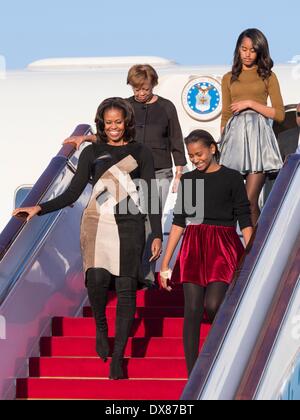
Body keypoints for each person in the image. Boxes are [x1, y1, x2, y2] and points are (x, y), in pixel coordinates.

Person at [13, 98, 163, 380]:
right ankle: (101, 327)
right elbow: (73, 192)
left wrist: (156, 234)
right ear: (101, 124)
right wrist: (39, 208)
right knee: (95, 280)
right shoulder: (91, 152)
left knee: (126, 287)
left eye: (119, 122)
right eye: (109, 123)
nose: (114, 127)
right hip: (96, 221)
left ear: (126, 122)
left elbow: (151, 195)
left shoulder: (141, 152)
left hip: (130, 222)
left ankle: (118, 356)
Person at [64, 64, 187, 286]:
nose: (140, 93)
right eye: (136, 89)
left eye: (145, 89)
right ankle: (123, 271)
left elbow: (176, 137)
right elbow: (112, 133)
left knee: (151, 221)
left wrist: (180, 167)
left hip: (160, 170)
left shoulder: (167, 107)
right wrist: (86, 139)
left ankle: (146, 276)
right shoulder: (126, 106)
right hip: (128, 169)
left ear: (153, 85)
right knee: (127, 220)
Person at [160, 130, 253, 376]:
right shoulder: (188, 180)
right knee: (191, 309)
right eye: (191, 156)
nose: (195, 159)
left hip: (223, 245)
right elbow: (179, 221)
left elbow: (245, 217)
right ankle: (194, 374)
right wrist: (166, 263)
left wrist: (252, 253)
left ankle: (222, 354)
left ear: (213, 149)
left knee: (213, 305)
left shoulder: (232, 178)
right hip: (194, 244)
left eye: (199, 154)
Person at [220, 28, 285, 226]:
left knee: (249, 202)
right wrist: (222, 143)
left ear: (260, 51)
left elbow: (280, 114)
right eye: (244, 49)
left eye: (252, 50)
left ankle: (254, 252)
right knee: (232, 203)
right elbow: (225, 115)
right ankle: (237, 251)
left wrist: (250, 103)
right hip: (234, 142)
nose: (247, 54)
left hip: (258, 143)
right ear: (238, 50)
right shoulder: (228, 77)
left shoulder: (268, 76)